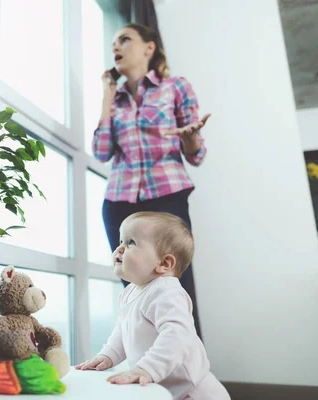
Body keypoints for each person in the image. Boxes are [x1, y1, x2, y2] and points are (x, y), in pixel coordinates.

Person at [93, 23, 209, 338]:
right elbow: (101, 152)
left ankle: (186, 372)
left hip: (166, 196)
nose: (116, 47)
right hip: (120, 202)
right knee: (134, 290)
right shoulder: (114, 101)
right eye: (113, 42)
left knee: (173, 288)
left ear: (149, 47)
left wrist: (189, 138)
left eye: (125, 40)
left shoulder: (175, 87)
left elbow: (196, 155)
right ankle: (143, 370)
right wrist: (107, 97)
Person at [76, 212, 230, 400]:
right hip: (163, 388)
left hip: (193, 392)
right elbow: (123, 331)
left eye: (131, 242)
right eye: (121, 241)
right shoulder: (130, 291)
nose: (120, 249)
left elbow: (177, 335)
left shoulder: (166, 292)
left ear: (164, 263)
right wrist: (108, 355)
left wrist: (147, 368)